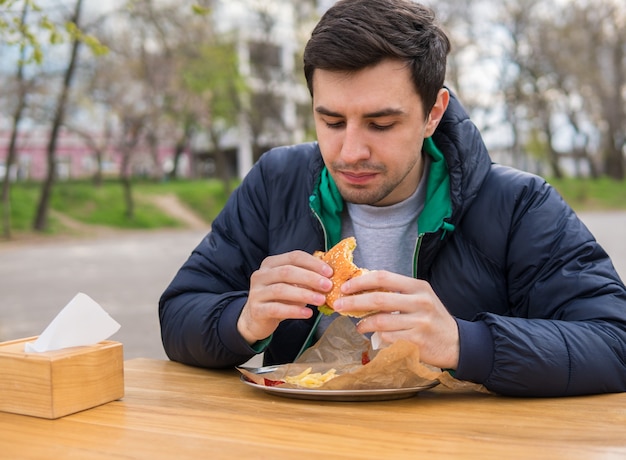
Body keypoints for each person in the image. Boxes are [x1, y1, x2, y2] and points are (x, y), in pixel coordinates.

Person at [159, 0, 626, 397]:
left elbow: (615, 342)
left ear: (432, 113)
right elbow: (178, 315)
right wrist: (241, 320)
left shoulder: (519, 204)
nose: (350, 151)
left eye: (382, 124)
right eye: (332, 122)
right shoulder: (276, 181)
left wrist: (465, 343)